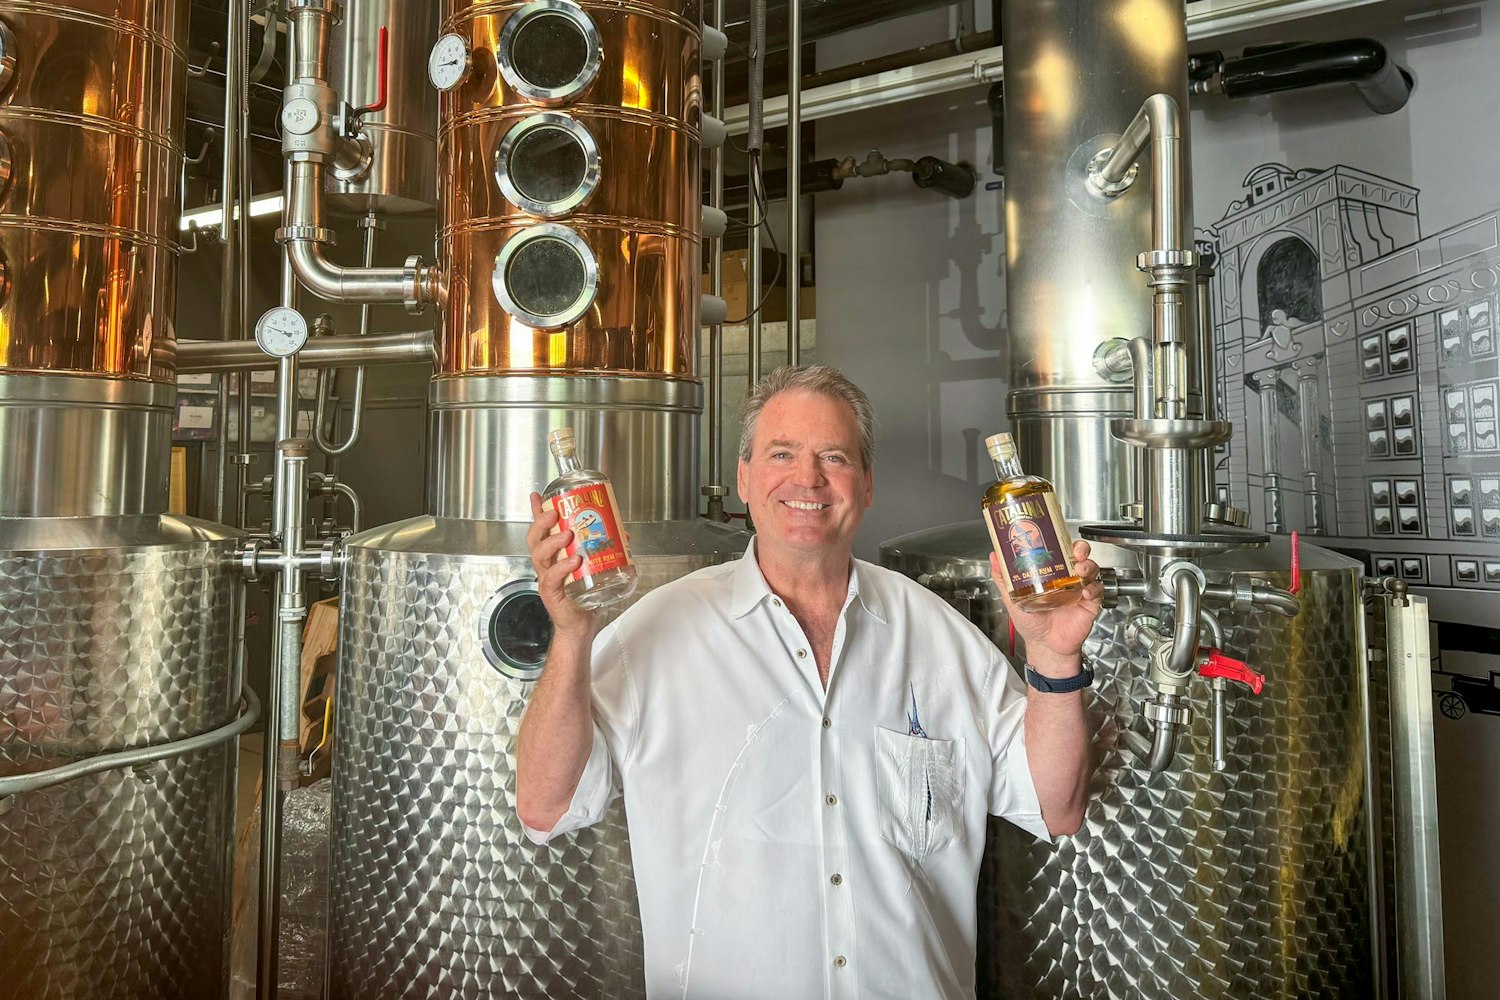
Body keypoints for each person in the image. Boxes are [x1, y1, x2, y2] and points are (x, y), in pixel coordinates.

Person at [518, 365, 1099, 999]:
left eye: (834, 457)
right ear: (744, 479)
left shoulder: (940, 636)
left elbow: (1056, 807)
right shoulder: (652, 636)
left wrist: (1053, 658)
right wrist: (573, 635)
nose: (808, 479)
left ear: (867, 484)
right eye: (781, 454)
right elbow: (547, 806)